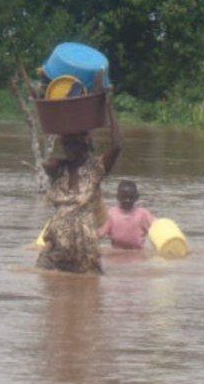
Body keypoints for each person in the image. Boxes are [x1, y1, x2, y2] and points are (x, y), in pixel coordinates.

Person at [36, 90, 121, 274]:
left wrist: (109, 107)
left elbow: (117, 147)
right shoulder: (60, 170)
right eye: (67, 145)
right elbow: (46, 163)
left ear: (85, 145)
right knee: (45, 286)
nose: (71, 149)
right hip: (55, 250)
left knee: (88, 288)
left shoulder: (95, 169)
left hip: (84, 250)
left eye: (75, 144)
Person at [97, 180, 156, 249]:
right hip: (116, 252)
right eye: (124, 198)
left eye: (131, 198)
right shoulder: (111, 214)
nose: (127, 200)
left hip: (138, 252)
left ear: (136, 197)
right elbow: (99, 234)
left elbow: (157, 228)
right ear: (118, 197)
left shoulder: (143, 214)